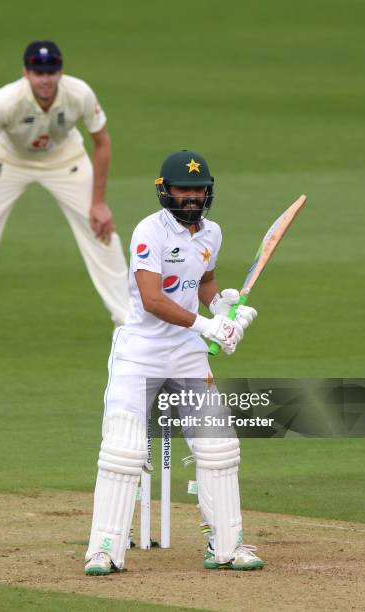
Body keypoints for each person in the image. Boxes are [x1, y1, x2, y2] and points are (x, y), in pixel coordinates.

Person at [84, 149, 264, 575]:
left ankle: (226, 546)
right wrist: (207, 327)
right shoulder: (150, 232)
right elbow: (151, 299)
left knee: (219, 446)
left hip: (186, 353)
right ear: (165, 191)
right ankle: (104, 549)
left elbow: (204, 278)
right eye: (184, 189)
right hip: (141, 350)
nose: (192, 197)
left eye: (199, 189)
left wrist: (223, 308)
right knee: (124, 450)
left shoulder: (211, 233)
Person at [0, 41, 129, 343]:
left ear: (60, 72)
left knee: (101, 229)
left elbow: (102, 142)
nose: (45, 79)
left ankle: (127, 320)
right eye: (38, 72)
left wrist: (99, 202)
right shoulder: (5, 100)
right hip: (7, 160)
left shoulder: (79, 93)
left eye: (51, 71)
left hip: (64, 159)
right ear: (26, 73)